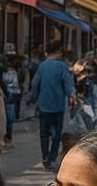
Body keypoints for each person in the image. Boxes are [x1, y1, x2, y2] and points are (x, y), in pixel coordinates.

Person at [25, 39, 75, 171]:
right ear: (58, 52)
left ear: (47, 53)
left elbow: (35, 84)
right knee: (57, 134)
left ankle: (45, 157)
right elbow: (68, 84)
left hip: (44, 105)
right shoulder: (62, 66)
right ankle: (52, 157)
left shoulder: (42, 66)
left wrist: (32, 99)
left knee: (44, 133)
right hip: (58, 105)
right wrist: (72, 96)